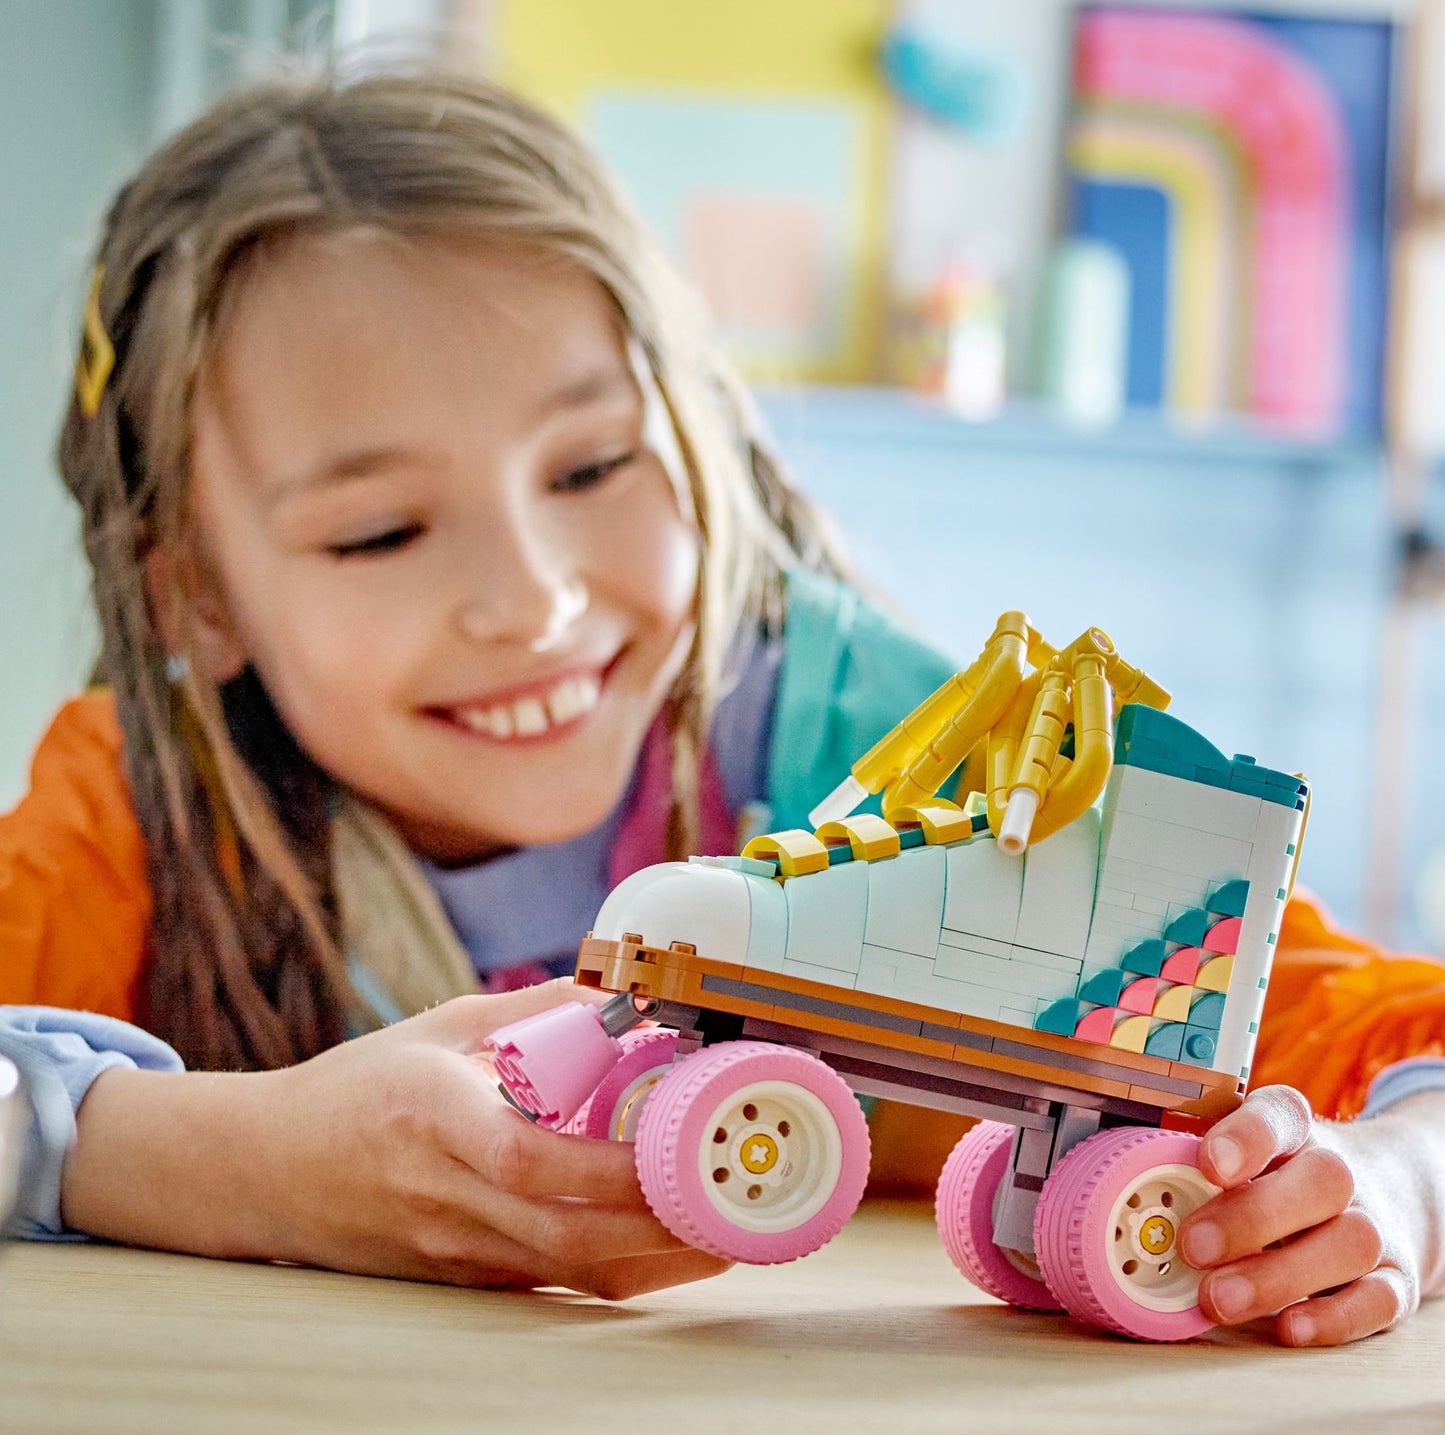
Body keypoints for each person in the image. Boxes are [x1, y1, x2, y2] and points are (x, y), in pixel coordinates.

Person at [1, 69, 1441, 1339]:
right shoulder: (148, 799)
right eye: (378, 532)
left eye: (590, 469)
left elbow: (1400, 1039)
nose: (538, 602)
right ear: (193, 590)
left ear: (693, 431)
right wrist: (242, 1158)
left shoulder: (883, 747)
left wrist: (1390, 1180)